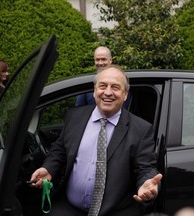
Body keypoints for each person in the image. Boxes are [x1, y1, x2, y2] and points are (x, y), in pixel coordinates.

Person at [30, 64, 162, 216]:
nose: (107, 92)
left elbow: (145, 168)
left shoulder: (141, 129)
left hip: (116, 211)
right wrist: (48, 169)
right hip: (68, 208)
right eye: (103, 86)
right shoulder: (74, 117)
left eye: (115, 87)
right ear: (94, 91)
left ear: (125, 94)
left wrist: (146, 184)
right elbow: (59, 150)